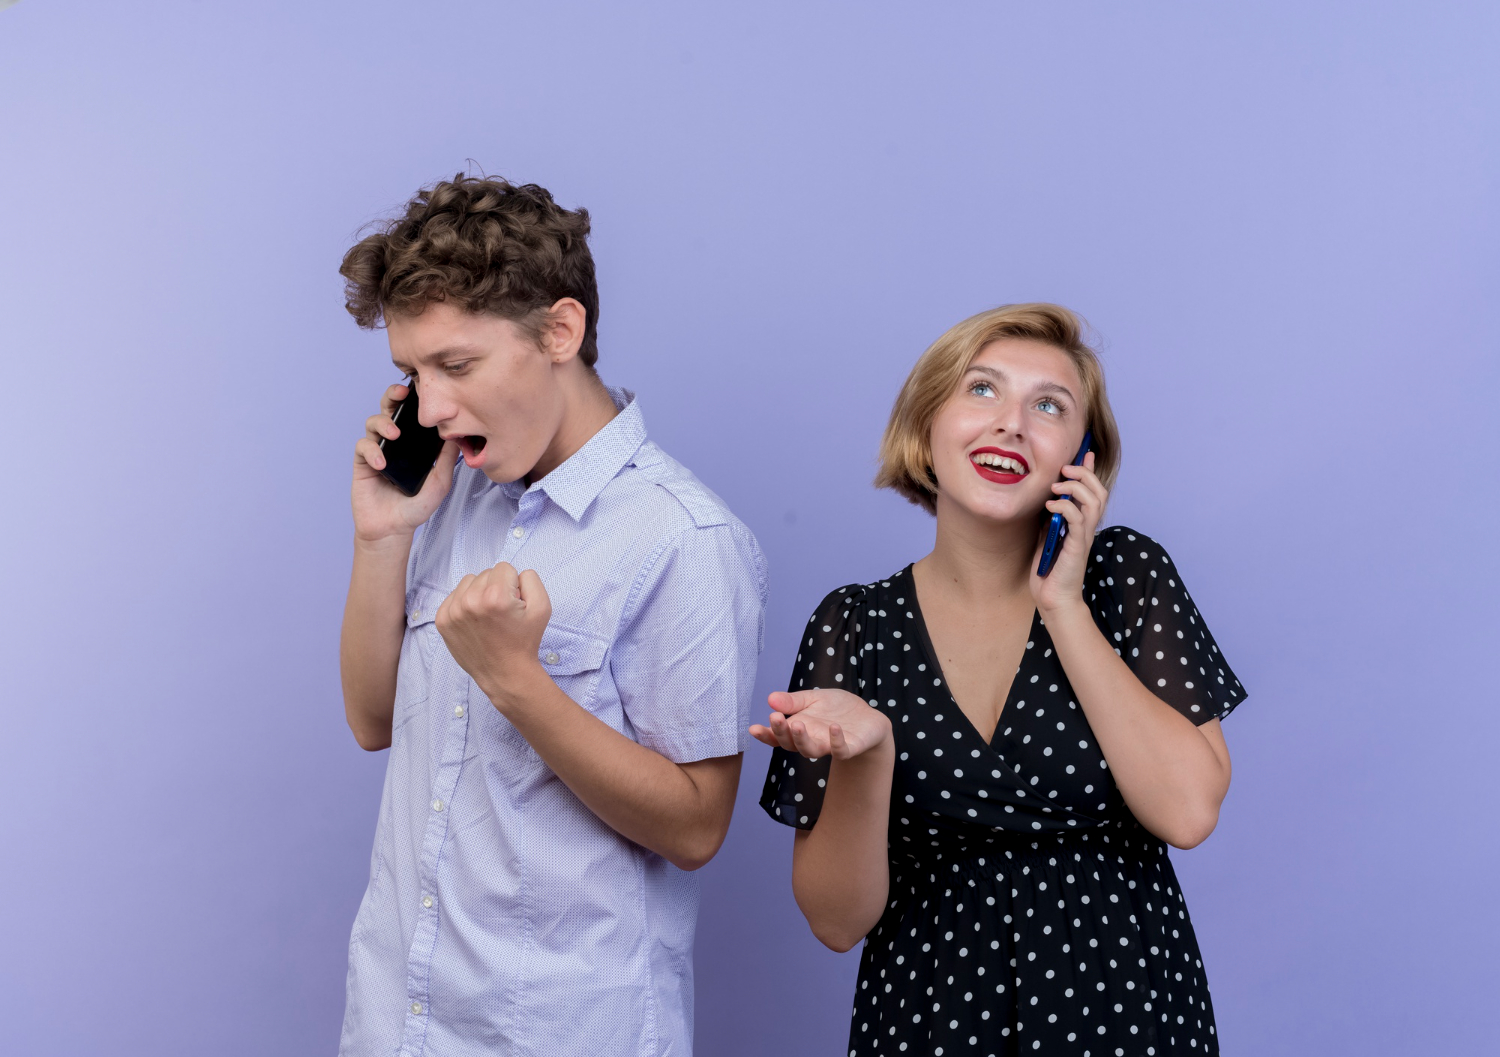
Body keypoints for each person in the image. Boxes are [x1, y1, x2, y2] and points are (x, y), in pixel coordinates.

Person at [336, 175, 766, 1056]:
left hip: (560, 1032)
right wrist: (381, 536)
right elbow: (373, 721)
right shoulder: (453, 494)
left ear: (560, 331)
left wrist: (515, 680)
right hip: (399, 1025)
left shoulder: (684, 537)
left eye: (457, 365)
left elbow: (696, 826)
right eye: (413, 373)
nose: (431, 408)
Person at [753, 303, 1246, 1056]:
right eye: (981, 389)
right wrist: (868, 757)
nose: (1011, 423)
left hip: (1124, 1016)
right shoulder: (855, 624)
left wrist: (1065, 606)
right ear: (927, 423)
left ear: (1081, 458)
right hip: (927, 1019)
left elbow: (1188, 813)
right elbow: (836, 921)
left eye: (1049, 406)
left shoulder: (1126, 578)